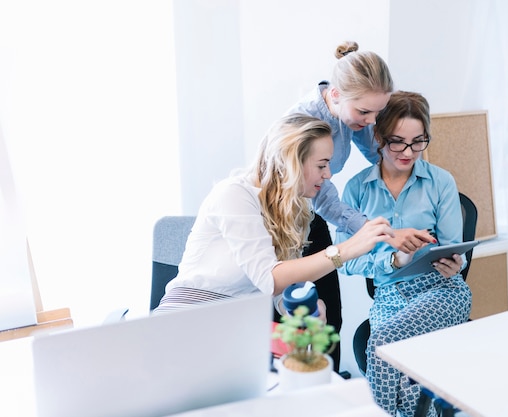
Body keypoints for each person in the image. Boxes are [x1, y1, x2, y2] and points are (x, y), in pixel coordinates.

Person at [153, 114, 395, 329]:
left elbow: (278, 290)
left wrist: (301, 308)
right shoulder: (234, 194)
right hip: (186, 318)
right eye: (321, 165)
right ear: (292, 164)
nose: (328, 174)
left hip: (235, 325)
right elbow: (270, 279)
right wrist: (346, 249)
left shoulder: (295, 209)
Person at [286, 41, 433, 371]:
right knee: (298, 324)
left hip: (314, 216)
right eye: (364, 112)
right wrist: (381, 233)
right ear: (335, 95)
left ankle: (331, 394)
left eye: (378, 112)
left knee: (330, 320)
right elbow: (325, 198)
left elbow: (378, 154)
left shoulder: (356, 117)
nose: (371, 121)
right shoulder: (304, 124)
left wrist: (414, 176)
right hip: (285, 224)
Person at [336, 91, 472, 417]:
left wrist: (455, 263)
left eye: (418, 141)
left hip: (442, 291)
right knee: (406, 378)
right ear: (378, 138)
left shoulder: (441, 182)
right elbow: (346, 260)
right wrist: (395, 259)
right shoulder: (357, 189)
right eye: (397, 142)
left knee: (380, 344)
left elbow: (456, 249)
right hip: (391, 294)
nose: (408, 152)